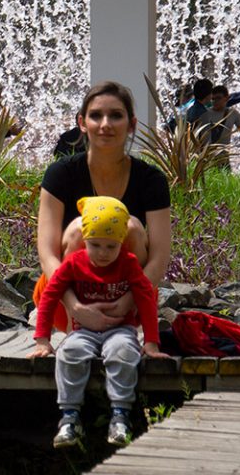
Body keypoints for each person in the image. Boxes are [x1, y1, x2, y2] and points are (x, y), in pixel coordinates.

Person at [36, 81, 173, 335]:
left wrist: (130, 299)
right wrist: (74, 305)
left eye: (116, 115)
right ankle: (75, 332)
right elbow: (46, 252)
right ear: (82, 122)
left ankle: (124, 329)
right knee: (80, 229)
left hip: (130, 300)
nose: (105, 124)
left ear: (131, 125)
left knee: (129, 226)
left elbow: (159, 256)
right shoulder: (60, 174)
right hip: (66, 300)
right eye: (96, 115)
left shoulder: (151, 180)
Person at [28, 196, 161, 450]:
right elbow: (50, 295)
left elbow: (145, 298)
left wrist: (151, 343)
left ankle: (120, 414)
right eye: (95, 245)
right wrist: (43, 340)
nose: (103, 253)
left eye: (111, 247)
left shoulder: (129, 264)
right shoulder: (74, 263)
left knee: (123, 353)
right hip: (83, 330)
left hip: (120, 329)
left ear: (122, 243)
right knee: (69, 353)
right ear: (85, 241)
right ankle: (69, 417)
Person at [202, 84, 240, 169]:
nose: (215, 101)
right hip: (206, 156)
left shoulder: (233, 113)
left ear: (226, 98)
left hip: (224, 156)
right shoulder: (205, 114)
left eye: (218, 98)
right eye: (213, 99)